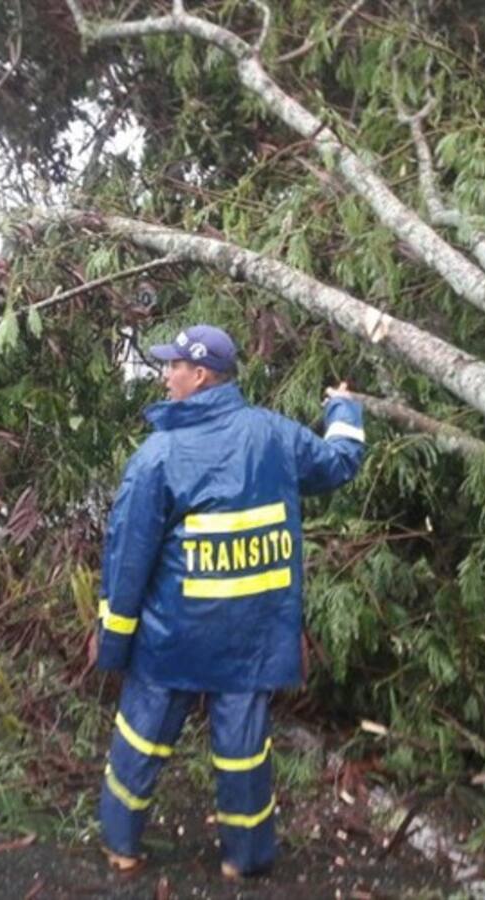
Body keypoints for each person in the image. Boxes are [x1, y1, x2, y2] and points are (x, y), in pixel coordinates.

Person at [91, 324, 365, 879]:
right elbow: (338, 464)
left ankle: (122, 848)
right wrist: (347, 411)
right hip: (253, 641)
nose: (166, 375)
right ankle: (245, 860)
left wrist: (114, 642)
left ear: (201, 375)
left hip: (173, 641)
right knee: (243, 756)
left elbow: (127, 563)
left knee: (140, 744)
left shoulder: (157, 457)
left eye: (174, 367)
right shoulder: (275, 435)